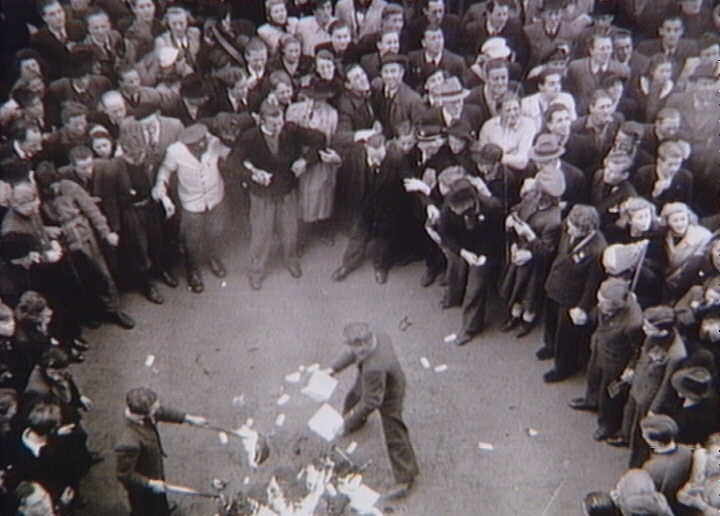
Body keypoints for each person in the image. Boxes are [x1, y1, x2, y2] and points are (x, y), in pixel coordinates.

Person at [228, 100, 328, 290]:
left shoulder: (290, 129)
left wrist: (305, 160)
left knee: (290, 230)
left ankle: (291, 259)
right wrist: (253, 174)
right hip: (261, 194)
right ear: (262, 121)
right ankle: (256, 270)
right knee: (261, 234)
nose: (278, 128)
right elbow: (232, 162)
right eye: (273, 124)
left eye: (280, 122)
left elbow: (320, 139)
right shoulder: (249, 137)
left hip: (286, 190)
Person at [327, 322, 419, 501]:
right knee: (356, 393)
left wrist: (346, 422)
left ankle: (406, 477)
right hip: (379, 377)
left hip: (391, 394)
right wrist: (333, 368)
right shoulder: (378, 334)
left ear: (363, 345)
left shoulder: (373, 368)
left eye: (355, 347)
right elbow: (351, 353)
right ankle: (354, 421)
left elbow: (372, 401)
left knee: (394, 431)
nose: (352, 350)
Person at [152, 123, 231, 294]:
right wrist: (161, 186)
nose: (200, 146)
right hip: (191, 202)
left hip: (215, 197)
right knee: (191, 240)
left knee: (216, 231)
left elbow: (229, 154)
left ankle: (213, 258)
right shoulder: (174, 151)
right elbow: (165, 170)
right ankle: (193, 270)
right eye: (195, 145)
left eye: (202, 142)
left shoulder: (213, 143)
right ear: (186, 145)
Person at [569, 277, 643, 442]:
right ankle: (591, 400)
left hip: (616, 362)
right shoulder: (606, 303)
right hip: (599, 349)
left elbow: (638, 349)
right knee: (593, 378)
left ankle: (608, 424)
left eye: (604, 303)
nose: (599, 305)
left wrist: (631, 367)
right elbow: (598, 316)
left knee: (610, 394)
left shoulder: (633, 323)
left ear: (617, 305)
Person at [115, 387, 208, 516]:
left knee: (159, 501)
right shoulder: (128, 442)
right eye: (154, 408)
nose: (157, 409)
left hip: (154, 472)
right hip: (143, 486)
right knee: (144, 509)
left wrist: (188, 418)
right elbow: (124, 475)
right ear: (144, 413)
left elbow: (162, 413)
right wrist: (150, 483)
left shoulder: (145, 415)